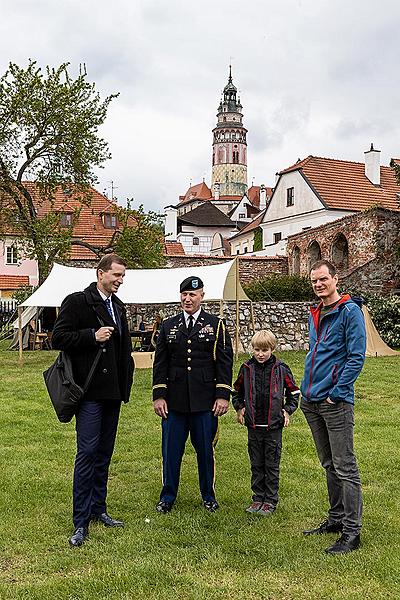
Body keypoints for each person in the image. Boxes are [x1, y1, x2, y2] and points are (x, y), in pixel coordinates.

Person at [52, 254, 134, 547]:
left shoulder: (119, 306)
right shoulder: (77, 301)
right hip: (89, 395)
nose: (120, 281)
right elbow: (58, 338)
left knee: (104, 454)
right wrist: (91, 335)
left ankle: (99, 509)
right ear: (101, 274)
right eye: (117, 275)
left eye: (123, 276)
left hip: (112, 394)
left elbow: (124, 349)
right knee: (86, 453)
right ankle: (80, 520)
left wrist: (126, 383)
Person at [300, 259, 366, 555]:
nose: (318, 284)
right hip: (311, 401)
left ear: (335, 279)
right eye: (314, 280)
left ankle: (352, 533)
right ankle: (336, 518)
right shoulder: (316, 310)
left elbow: (356, 357)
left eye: (323, 279)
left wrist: (336, 393)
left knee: (345, 466)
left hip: (334, 402)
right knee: (329, 464)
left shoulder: (349, 311)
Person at [152, 276, 233, 513]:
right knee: (171, 451)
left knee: (206, 451)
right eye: (184, 295)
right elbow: (161, 363)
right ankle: (167, 497)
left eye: (192, 295)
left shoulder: (216, 324)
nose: (188, 299)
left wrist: (222, 395)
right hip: (174, 401)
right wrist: (159, 395)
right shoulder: (169, 325)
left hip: (205, 401)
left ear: (202, 297)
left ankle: (208, 495)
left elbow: (224, 363)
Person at [232, 330, 300, 516]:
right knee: (256, 464)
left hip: (274, 427)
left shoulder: (281, 369)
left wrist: (287, 410)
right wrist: (240, 408)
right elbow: (236, 392)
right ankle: (257, 498)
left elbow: (294, 393)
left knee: (271, 464)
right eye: (257, 350)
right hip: (253, 426)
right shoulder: (246, 368)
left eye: (264, 350)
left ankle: (270, 500)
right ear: (252, 349)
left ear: (272, 349)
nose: (260, 354)